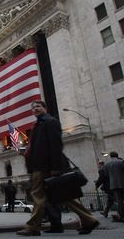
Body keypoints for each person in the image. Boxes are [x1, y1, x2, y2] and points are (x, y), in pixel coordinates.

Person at [16, 100, 99, 236]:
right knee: (65, 195)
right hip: (42, 165)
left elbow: (56, 145)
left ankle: (33, 227)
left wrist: (55, 166)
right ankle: (88, 219)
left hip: (45, 166)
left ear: (45, 108)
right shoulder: (39, 124)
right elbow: (39, 147)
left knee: (38, 195)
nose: (35, 109)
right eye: (33, 107)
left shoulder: (50, 122)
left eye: (38, 106)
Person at [104, 151, 124, 222]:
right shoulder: (121, 162)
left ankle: (122, 216)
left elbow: (106, 175)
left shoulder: (106, 164)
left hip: (114, 185)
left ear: (110, 156)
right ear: (117, 155)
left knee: (119, 201)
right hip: (122, 183)